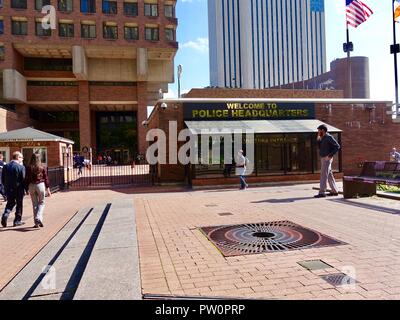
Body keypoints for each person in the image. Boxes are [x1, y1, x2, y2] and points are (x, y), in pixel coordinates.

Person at [25, 153, 51, 228]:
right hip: (40, 185)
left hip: (31, 185)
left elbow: (26, 178)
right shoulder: (42, 167)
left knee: (35, 204)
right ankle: (38, 217)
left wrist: (26, 189)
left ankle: (37, 223)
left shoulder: (28, 167)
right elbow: (46, 178)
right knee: (42, 203)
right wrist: (48, 189)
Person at [314, 124, 341, 198]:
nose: (318, 132)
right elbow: (319, 147)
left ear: (323, 130)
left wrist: (330, 156)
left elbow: (337, 146)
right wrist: (318, 139)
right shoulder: (322, 138)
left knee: (323, 175)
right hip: (323, 158)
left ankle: (322, 192)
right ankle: (334, 191)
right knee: (329, 175)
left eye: (319, 130)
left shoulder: (329, 137)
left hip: (327, 158)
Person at [1, 151, 26, 228]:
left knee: (10, 203)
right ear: (17, 157)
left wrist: (5, 187)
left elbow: (3, 178)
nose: (22, 159)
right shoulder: (21, 167)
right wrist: (25, 189)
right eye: (21, 157)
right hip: (18, 189)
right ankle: (17, 221)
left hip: (8, 188)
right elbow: (23, 179)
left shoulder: (6, 166)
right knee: (19, 204)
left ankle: (5, 214)